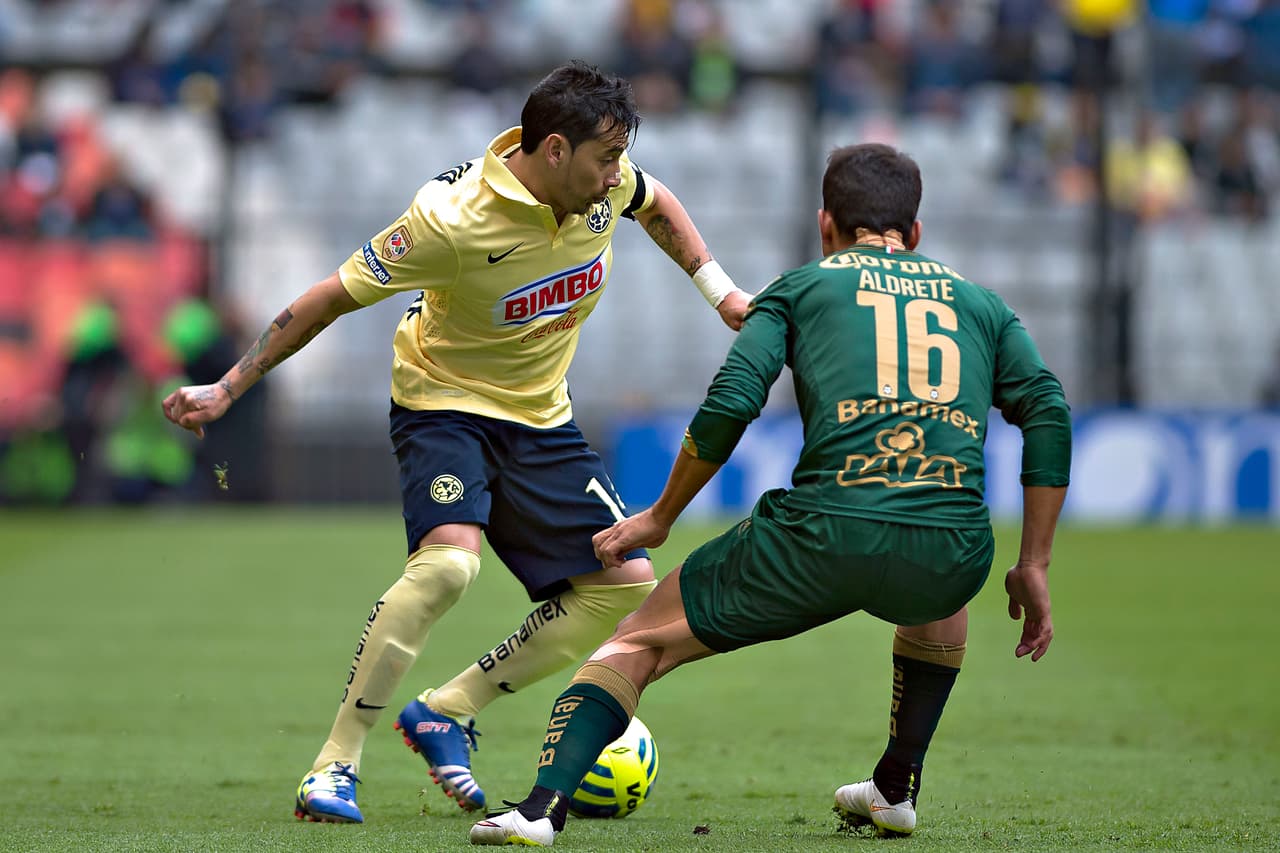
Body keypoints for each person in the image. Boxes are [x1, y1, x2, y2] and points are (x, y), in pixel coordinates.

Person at [161, 60, 749, 824]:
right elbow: (327, 298)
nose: (617, 177)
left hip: (542, 417)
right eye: (605, 160)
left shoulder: (607, 180)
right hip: (444, 405)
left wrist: (722, 292)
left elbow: (657, 201)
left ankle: (447, 708)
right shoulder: (450, 219)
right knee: (446, 566)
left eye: (620, 159)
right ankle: (333, 765)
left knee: (626, 584)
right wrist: (228, 387)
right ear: (554, 151)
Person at [469, 142, 1072, 846]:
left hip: (822, 534)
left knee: (635, 644)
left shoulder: (801, 287)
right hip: (952, 547)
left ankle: (540, 808)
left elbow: (732, 401)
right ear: (915, 233)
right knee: (940, 581)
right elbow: (1049, 412)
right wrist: (1033, 562)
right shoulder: (983, 306)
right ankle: (896, 785)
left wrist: (659, 518)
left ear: (826, 225)